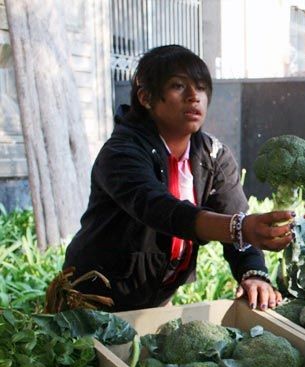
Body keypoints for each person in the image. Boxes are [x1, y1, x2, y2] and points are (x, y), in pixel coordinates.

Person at [64, 45, 293, 312]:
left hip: (157, 296)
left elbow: (236, 215)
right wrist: (239, 228)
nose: (194, 96)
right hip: (94, 297)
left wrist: (253, 271)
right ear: (146, 98)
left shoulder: (213, 155)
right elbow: (160, 209)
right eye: (178, 86)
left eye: (201, 87)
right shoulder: (121, 152)